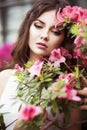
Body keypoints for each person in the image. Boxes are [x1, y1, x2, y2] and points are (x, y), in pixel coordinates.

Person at [0, 0, 82, 130]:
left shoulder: (67, 91)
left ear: (64, 39)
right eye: (38, 26)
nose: (44, 36)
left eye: (55, 31)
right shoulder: (4, 79)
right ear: (28, 27)